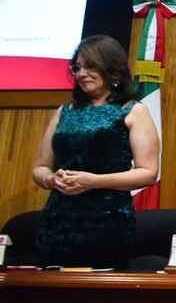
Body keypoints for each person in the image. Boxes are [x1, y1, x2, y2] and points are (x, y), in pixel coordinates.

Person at [31, 35, 160, 268]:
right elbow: (40, 168)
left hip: (108, 222)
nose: (81, 73)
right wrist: (52, 179)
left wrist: (93, 181)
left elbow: (148, 173)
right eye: (77, 67)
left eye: (90, 66)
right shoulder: (65, 111)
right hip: (57, 220)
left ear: (112, 68)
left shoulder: (133, 110)